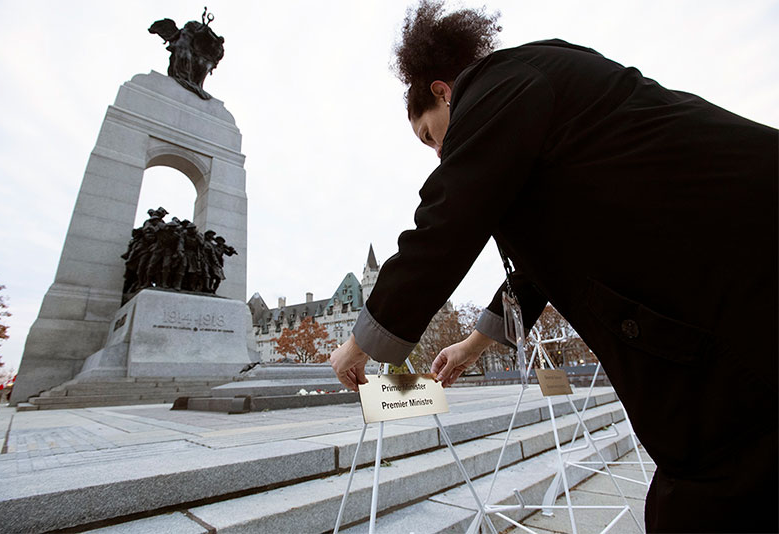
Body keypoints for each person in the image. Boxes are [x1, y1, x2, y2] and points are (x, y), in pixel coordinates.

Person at [329, 1, 777, 532]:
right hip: (735, 273)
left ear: (444, 91)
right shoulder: (543, 92)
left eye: (431, 135)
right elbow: (541, 264)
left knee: (710, 480)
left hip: (742, 274)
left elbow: (452, 212)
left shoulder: (500, 85)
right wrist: (477, 342)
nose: (438, 153)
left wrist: (362, 340)